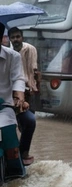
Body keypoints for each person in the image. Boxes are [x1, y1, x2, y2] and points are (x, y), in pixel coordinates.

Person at [9, 27, 38, 165]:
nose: (15, 40)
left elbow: (33, 71)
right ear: (8, 39)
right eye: (13, 37)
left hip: (23, 92)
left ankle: (22, 151)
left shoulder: (29, 49)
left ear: (22, 37)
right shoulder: (7, 54)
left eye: (17, 37)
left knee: (29, 121)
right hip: (7, 96)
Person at [1, 24, 28, 168]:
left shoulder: (13, 56)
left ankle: (19, 161)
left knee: (13, 130)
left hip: (7, 105)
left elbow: (18, 78)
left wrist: (19, 97)